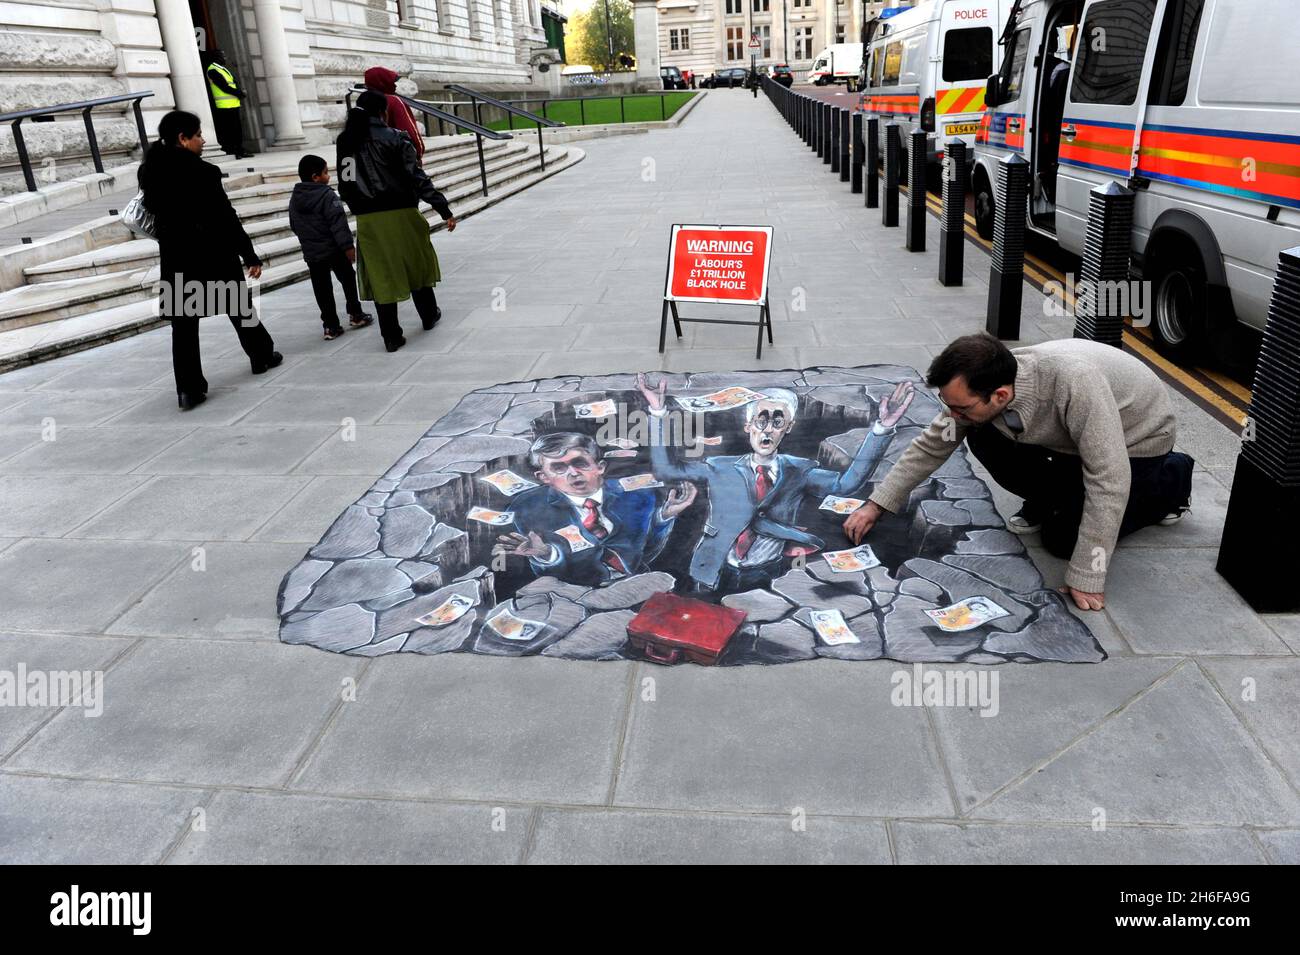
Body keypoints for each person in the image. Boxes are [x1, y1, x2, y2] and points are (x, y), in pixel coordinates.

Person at [844, 335, 1195, 612]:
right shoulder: (986, 389)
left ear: (1000, 394)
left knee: (1062, 540)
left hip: (1136, 441)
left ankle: (1172, 478)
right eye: (949, 405)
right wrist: (877, 505)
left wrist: (1089, 573)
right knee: (978, 431)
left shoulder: (1075, 384)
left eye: (960, 407)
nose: (953, 414)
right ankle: (1054, 498)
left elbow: (1108, 477)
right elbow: (932, 445)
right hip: (1067, 442)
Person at [638, 373, 915, 593]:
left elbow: (847, 484)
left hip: (769, 570)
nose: (767, 429)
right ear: (748, 426)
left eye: (777, 421)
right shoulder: (719, 467)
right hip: (714, 566)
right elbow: (667, 470)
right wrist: (658, 413)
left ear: (788, 427)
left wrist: (881, 428)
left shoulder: (799, 470)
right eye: (761, 420)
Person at [137, 110, 280, 411]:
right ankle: (262, 355)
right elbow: (226, 218)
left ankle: (188, 390)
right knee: (240, 308)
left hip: (178, 257)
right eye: (199, 135)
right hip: (213, 251)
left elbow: (152, 209)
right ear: (183, 138)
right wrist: (248, 253)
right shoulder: (204, 172)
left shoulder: (150, 172)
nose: (203, 140)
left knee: (184, 326)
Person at [335, 90, 456, 352]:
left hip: (369, 220)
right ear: (383, 111)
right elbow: (417, 177)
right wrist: (442, 207)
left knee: (381, 274)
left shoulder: (346, 141)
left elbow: (345, 182)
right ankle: (428, 314)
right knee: (416, 265)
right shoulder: (395, 138)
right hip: (402, 212)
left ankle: (391, 335)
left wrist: (360, 207)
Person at [492, 432, 696, 587]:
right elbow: (541, 577)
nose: (573, 473)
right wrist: (546, 555)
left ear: (600, 467)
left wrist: (663, 517)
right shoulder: (527, 509)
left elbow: (646, 550)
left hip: (634, 583)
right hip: (570, 592)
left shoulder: (639, 495)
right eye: (559, 468)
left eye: (580, 463)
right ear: (543, 477)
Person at [288, 154, 374, 341]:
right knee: (348, 279)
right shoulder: (327, 195)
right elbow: (338, 224)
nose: (329, 176)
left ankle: (330, 326)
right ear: (315, 177)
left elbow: (294, 224)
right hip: (334, 249)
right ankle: (355, 314)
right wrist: (348, 247)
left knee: (322, 288)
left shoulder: (295, 197)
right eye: (326, 173)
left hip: (312, 252)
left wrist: (309, 240)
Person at [363, 66, 425, 160]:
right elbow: (409, 131)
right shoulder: (394, 101)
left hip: (371, 159)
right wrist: (418, 154)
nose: (395, 85)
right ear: (383, 83)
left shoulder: (362, 101)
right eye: (392, 82)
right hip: (394, 158)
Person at [205, 50, 250, 159]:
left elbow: (233, 83)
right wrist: (240, 93)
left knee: (237, 130)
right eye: (223, 55)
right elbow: (224, 87)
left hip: (232, 104)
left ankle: (240, 150)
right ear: (216, 57)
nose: (225, 57)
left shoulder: (222, 69)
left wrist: (239, 93)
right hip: (224, 106)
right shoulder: (212, 70)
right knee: (229, 131)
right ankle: (233, 151)